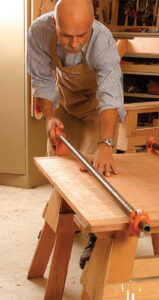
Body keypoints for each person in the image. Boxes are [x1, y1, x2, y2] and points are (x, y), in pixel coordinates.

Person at [27, 0, 125, 268]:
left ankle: (97, 235)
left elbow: (110, 97)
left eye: (81, 35)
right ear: (55, 24)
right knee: (60, 167)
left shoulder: (103, 43)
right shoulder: (39, 32)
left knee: (97, 170)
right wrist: (50, 118)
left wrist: (105, 143)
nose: (73, 43)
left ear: (92, 24)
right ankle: (58, 224)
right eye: (66, 35)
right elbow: (42, 80)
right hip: (66, 102)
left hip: (98, 108)